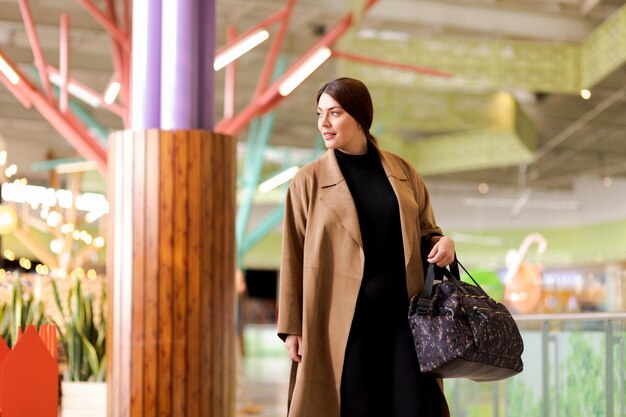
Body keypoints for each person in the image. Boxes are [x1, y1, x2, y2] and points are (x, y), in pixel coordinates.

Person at [277, 77, 455, 417]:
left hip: (406, 319)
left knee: (412, 406)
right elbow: (292, 257)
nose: (324, 124)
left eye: (335, 113)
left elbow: (427, 231)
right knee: (354, 406)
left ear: (360, 117)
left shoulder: (402, 172)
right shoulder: (307, 183)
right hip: (342, 323)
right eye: (320, 114)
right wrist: (292, 328)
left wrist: (442, 243)